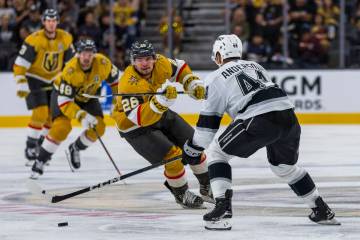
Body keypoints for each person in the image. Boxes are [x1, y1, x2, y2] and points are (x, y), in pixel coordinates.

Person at [182, 34, 340, 230]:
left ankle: (223, 210)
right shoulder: (256, 66)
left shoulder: (214, 77)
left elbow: (208, 126)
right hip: (288, 117)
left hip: (258, 118)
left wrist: (193, 148)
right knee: (284, 167)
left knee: (217, 154)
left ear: (219, 56)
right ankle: (321, 210)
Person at [112, 40, 212, 208]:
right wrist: (160, 102)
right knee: (173, 158)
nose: (144, 63)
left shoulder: (161, 63)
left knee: (194, 145)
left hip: (159, 111)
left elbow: (179, 68)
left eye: (148, 58)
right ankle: (180, 194)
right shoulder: (128, 83)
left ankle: (206, 186)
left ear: (154, 58)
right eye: (139, 59)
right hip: (134, 126)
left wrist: (191, 82)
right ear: (132, 61)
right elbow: (139, 118)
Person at [30, 39, 121, 179]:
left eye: (90, 54)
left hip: (88, 96)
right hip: (63, 97)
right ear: (77, 54)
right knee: (62, 127)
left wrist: (118, 101)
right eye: (83, 53)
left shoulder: (103, 63)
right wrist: (81, 115)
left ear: (94, 54)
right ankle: (40, 160)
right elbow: (65, 102)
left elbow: (116, 81)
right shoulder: (70, 70)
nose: (86, 57)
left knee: (100, 127)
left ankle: (75, 148)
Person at [13, 9, 75, 167]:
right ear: (43, 22)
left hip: (54, 79)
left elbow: (72, 64)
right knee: (40, 113)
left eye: (54, 20)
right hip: (34, 79)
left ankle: (41, 146)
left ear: (57, 22)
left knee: (51, 118)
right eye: (48, 20)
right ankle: (30, 148)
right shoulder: (34, 40)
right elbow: (20, 64)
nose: (51, 23)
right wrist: (21, 82)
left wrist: (74, 81)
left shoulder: (66, 38)